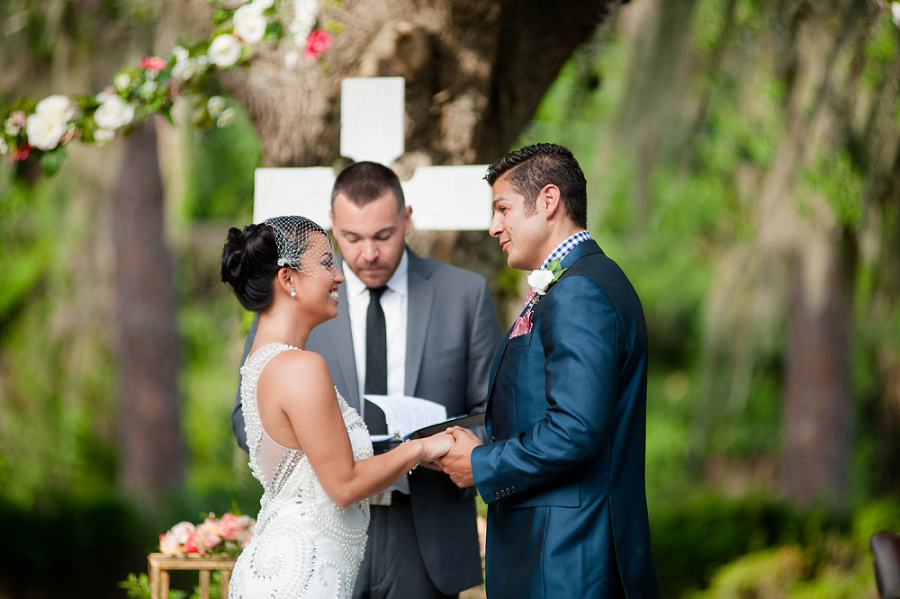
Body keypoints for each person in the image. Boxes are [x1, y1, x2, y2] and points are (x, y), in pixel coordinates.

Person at [231, 162, 502, 598]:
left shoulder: (463, 294)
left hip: (424, 527)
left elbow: (494, 412)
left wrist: (456, 450)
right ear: (334, 226)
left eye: (382, 236)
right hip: (315, 544)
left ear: (406, 220)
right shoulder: (286, 318)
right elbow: (253, 414)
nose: (362, 257)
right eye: (350, 240)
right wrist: (324, 447)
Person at [439, 143, 661, 598]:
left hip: (569, 560)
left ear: (548, 200)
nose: (493, 226)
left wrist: (481, 463)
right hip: (558, 554)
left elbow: (576, 429)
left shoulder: (581, 292)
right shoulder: (575, 283)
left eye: (503, 209)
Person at [221, 216, 454, 598]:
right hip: (302, 578)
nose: (340, 277)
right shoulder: (300, 367)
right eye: (327, 263)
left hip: (288, 566)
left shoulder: (261, 363)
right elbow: (344, 485)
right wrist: (422, 446)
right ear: (289, 280)